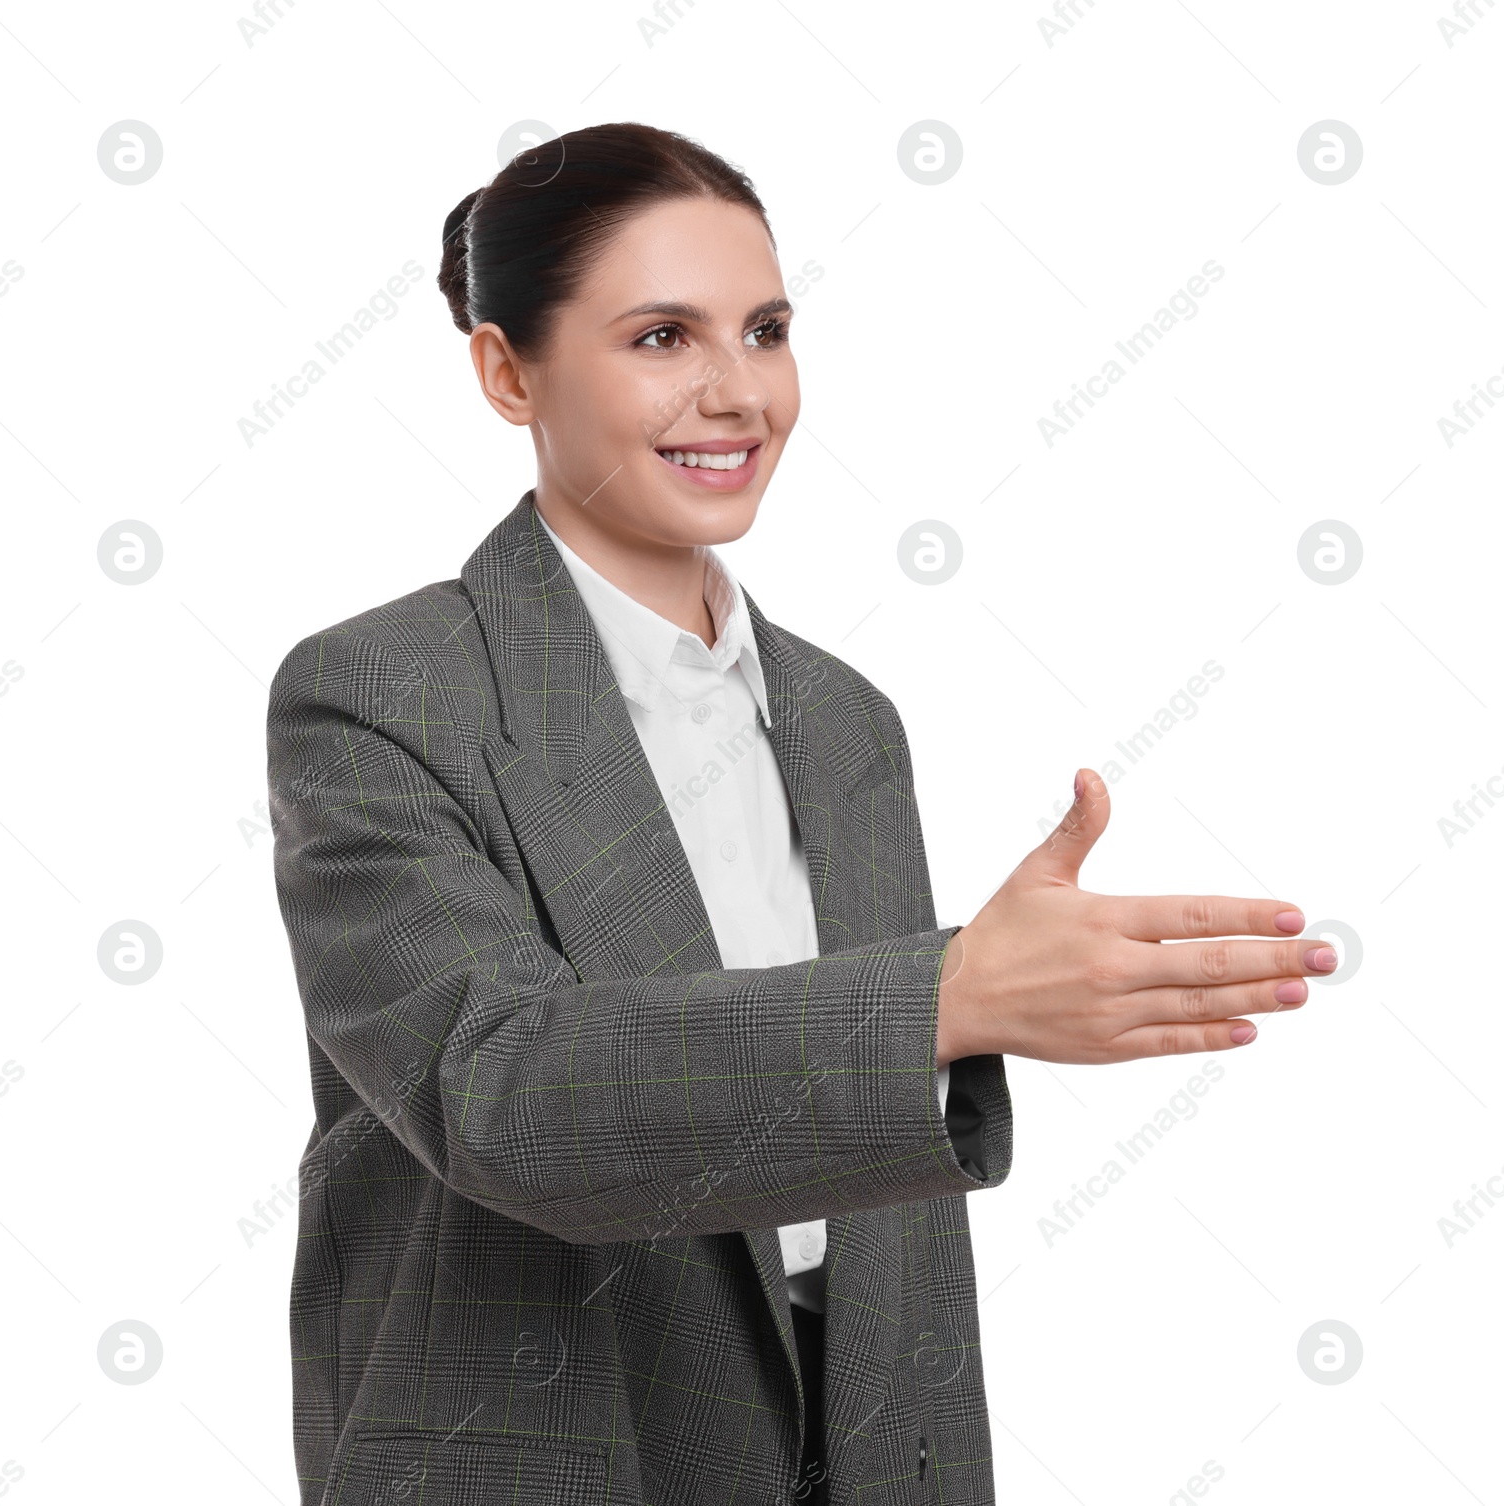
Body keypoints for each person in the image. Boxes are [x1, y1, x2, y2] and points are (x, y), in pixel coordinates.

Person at [265, 121, 1335, 1506]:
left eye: (764, 329)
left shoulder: (845, 720)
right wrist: (943, 998)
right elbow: (505, 1092)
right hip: (563, 1446)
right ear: (506, 369)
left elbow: (899, 1226)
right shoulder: (379, 693)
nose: (737, 392)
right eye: (661, 337)